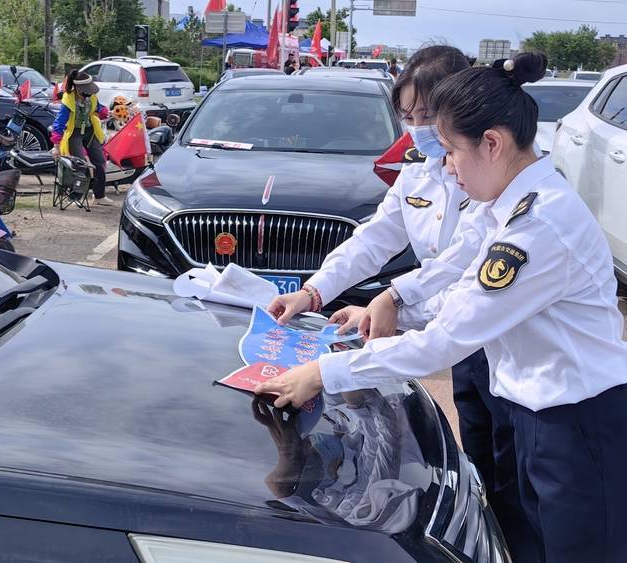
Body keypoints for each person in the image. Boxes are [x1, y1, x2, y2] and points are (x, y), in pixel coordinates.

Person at [257, 52, 627, 562]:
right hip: (532, 409)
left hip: (576, 422)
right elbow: (453, 265)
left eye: (451, 151)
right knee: (524, 541)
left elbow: (446, 340)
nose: (445, 167)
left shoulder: (537, 227)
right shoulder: (505, 207)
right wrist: (388, 303)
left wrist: (324, 371)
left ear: (492, 144)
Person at [50, 70, 113, 206]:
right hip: (75, 134)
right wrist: (56, 146)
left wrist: (107, 112)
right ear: (78, 88)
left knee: (100, 162)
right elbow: (59, 123)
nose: (90, 94)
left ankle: (99, 196)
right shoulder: (68, 100)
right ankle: (75, 197)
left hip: (90, 132)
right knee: (80, 165)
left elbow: (99, 108)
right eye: (87, 91)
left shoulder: (92, 97)